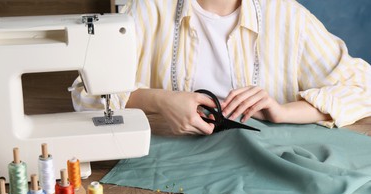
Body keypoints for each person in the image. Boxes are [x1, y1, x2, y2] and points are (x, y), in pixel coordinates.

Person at [71, 0, 371, 135]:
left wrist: (284, 112)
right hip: (170, 169)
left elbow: (363, 88)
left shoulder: (288, 16)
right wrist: (159, 101)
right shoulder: (148, 9)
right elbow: (85, 94)